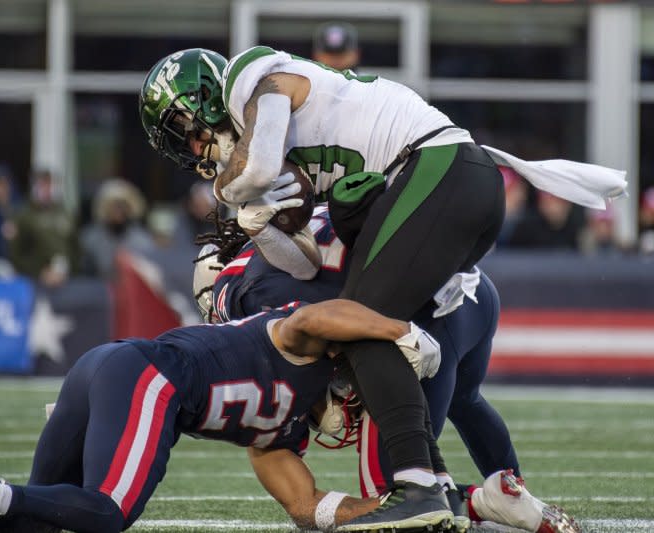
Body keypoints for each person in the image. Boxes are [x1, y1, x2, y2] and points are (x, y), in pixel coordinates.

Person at [139, 47, 624, 529]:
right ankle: (499, 493)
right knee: (447, 391)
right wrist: (260, 225)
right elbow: (305, 266)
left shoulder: (250, 77)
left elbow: (260, 173)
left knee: (365, 361)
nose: (197, 151)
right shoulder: (282, 156)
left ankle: (426, 487)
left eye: (188, 134)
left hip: (438, 178)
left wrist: (228, 192)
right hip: (461, 250)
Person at [0, 299, 443, 533]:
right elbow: (315, 315)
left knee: (48, 517)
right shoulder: (309, 348)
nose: (347, 418)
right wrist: (401, 332)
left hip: (107, 365)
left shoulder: (279, 438)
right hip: (149, 376)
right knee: (108, 513)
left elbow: (304, 506)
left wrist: (386, 514)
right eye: (354, 402)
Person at [194, 205, 581, 533]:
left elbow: (332, 324)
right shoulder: (280, 243)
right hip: (474, 291)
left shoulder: (246, 296)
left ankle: (488, 504)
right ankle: (511, 490)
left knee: (398, 495)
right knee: (466, 399)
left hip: (431, 317)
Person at [9, 168, 75, 288]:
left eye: (48, 184)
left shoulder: (65, 213)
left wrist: (68, 270)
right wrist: (40, 271)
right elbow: (16, 254)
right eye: (41, 184)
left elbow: (74, 247)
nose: (46, 189)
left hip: (65, 280)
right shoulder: (23, 215)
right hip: (36, 281)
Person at [78, 178, 155, 280]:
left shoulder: (142, 240)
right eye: (114, 205)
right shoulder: (90, 238)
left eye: (123, 205)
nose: (118, 210)